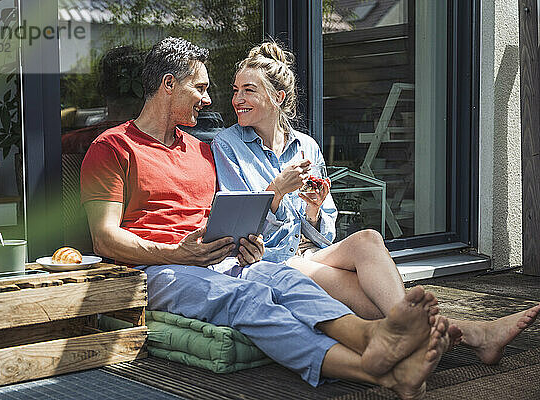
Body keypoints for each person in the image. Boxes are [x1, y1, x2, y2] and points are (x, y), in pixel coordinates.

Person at [80, 37, 451, 399]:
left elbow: (225, 216)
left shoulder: (200, 151)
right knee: (248, 298)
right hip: (157, 270)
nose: (209, 100)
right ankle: (375, 369)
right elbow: (104, 238)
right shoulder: (113, 147)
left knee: (287, 280)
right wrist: (178, 254)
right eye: (200, 88)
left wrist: (244, 241)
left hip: (214, 259)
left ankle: (374, 339)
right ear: (168, 85)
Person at [210, 40, 540, 373]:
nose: (237, 99)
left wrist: (314, 208)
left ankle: (444, 334)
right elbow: (240, 224)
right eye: (236, 90)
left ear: (277, 98)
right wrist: (277, 191)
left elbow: (324, 229)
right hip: (267, 261)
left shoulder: (305, 146)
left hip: (307, 254)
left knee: (367, 239)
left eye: (248, 90)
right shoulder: (228, 144)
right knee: (360, 291)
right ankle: (473, 334)